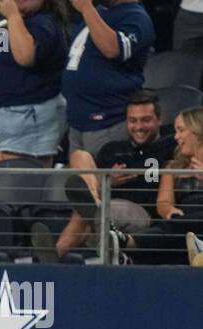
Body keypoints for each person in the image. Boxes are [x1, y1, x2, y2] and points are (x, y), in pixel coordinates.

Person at [33, 91, 174, 260]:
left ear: (159, 120)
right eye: (132, 120)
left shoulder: (170, 145)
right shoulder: (113, 149)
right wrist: (108, 181)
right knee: (80, 155)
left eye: (146, 120)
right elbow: (91, 176)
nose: (139, 127)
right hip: (106, 206)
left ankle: (56, 253)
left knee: (91, 213)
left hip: (143, 212)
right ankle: (94, 204)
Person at [61, 0, 153, 204]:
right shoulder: (98, 13)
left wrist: (86, 8)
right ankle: (92, 234)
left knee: (97, 195)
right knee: (83, 197)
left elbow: (113, 48)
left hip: (108, 120)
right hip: (78, 122)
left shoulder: (135, 16)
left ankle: (101, 234)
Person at [0, 0, 69, 166]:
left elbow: (26, 57)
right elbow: (1, 64)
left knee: (19, 186)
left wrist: (13, 15)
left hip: (26, 119)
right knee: (3, 186)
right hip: (3, 125)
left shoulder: (44, 23)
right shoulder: (8, 26)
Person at [122, 107, 203, 265]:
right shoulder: (173, 168)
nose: (176, 137)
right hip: (182, 222)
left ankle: (129, 243)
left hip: (187, 223)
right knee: (177, 231)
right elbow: (163, 202)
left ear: (197, 130)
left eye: (181, 130)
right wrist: (170, 212)